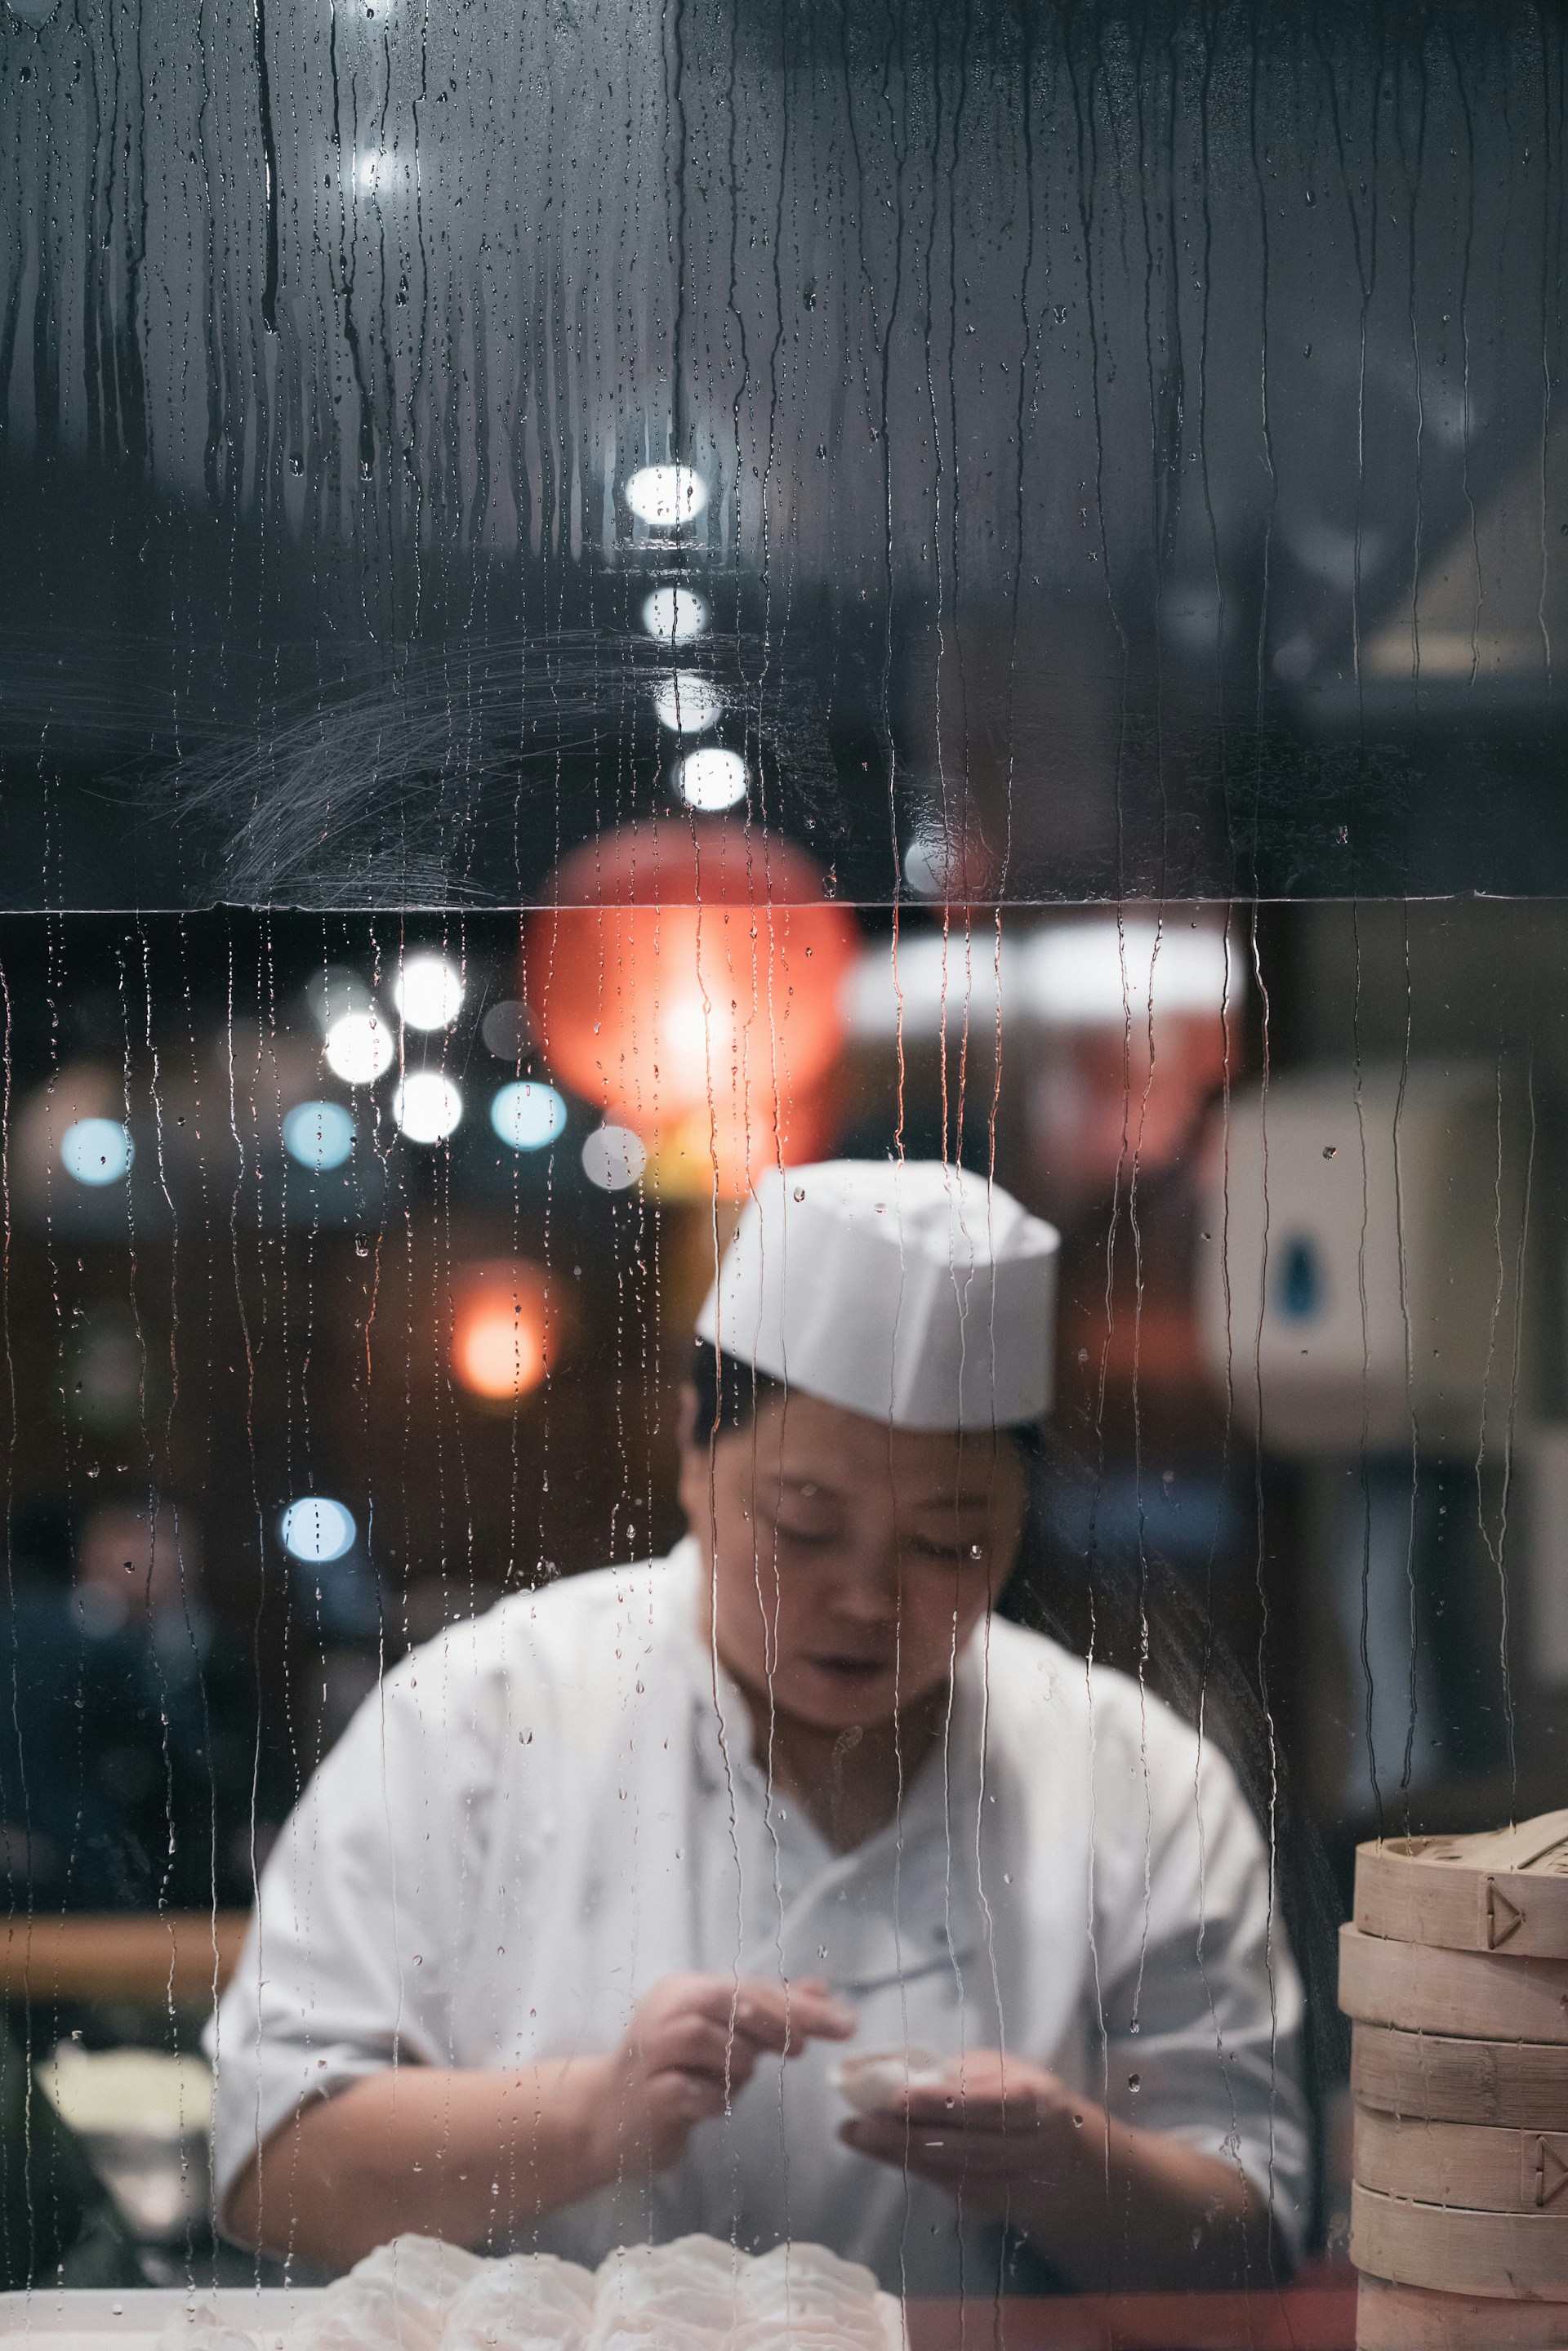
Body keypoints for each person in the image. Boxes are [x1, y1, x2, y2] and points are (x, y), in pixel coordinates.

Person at [211, 1162, 1310, 2295]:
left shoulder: (1137, 1776)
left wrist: (1070, 2165)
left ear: (1022, 1514)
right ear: (694, 1448)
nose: (867, 1599)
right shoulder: (481, 1717)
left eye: (946, 1540)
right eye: (803, 1526)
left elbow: (1252, 2236)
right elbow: (266, 2165)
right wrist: (590, 2118)